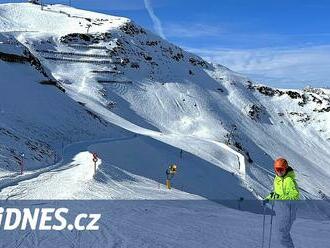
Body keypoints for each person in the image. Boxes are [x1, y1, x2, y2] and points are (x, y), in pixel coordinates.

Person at [265, 157, 300, 248]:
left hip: (289, 210)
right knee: (280, 233)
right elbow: (276, 193)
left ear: (286, 168)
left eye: (282, 169)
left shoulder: (289, 180)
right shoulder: (277, 179)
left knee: (282, 233)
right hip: (281, 209)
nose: (279, 171)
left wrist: (280, 197)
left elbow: (295, 195)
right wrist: (268, 198)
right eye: (277, 169)